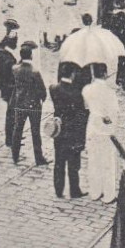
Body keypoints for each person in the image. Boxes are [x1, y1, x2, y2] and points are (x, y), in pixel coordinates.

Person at [49, 63, 87, 199]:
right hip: (72, 132)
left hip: (59, 131)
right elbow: (82, 114)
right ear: (72, 74)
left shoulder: (53, 88)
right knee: (73, 163)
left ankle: (58, 190)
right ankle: (74, 190)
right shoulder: (76, 93)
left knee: (59, 161)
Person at [82, 62, 119, 202]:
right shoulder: (110, 92)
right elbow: (115, 111)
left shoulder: (87, 89)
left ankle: (95, 192)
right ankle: (108, 195)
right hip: (105, 130)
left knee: (93, 161)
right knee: (108, 163)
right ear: (105, 74)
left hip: (92, 128)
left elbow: (87, 106)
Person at [10, 41, 48, 166]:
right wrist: (43, 97)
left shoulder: (15, 69)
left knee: (17, 129)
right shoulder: (35, 72)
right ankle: (39, 158)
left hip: (20, 103)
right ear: (31, 55)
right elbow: (42, 90)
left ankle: (15, 156)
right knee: (35, 132)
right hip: (34, 105)